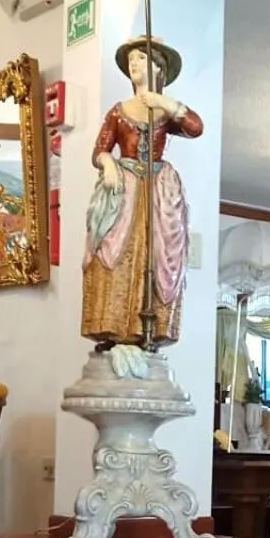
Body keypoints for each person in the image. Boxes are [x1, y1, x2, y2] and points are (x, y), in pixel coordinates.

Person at [82, 37, 203, 347]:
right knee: (114, 247)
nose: (133, 64)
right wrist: (108, 162)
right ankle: (113, 326)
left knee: (155, 252)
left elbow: (195, 128)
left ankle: (150, 328)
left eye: (141, 59)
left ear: (157, 68)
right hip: (125, 188)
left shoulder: (162, 111)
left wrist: (164, 103)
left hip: (158, 189)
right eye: (131, 60)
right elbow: (100, 149)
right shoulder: (119, 111)